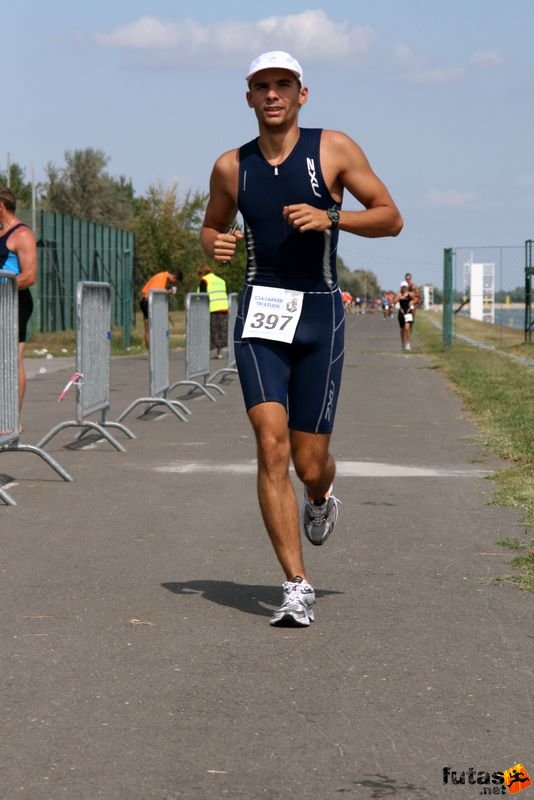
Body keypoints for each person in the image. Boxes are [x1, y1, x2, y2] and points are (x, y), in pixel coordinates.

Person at [200, 50, 403, 627]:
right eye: (261, 86)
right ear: (248, 97)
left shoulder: (332, 149)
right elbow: (212, 225)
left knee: (310, 463)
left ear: (301, 94)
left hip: (320, 315)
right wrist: (210, 245)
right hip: (261, 312)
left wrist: (331, 218)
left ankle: (319, 497)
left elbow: (390, 217)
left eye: (282, 84)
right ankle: (296, 584)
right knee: (271, 446)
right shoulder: (230, 167)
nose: (272, 94)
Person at [0, 187, 37, 415]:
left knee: (13, 361)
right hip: (2, 303)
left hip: (15, 303)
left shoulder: (22, 235)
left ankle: (12, 419)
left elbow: (30, 276)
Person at [139, 270, 182, 348]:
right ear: (174, 277)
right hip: (148, 303)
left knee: (148, 328)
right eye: (175, 281)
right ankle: (154, 351)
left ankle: (152, 352)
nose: (174, 283)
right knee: (153, 327)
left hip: (146, 302)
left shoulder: (163, 277)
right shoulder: (162, 277)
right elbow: (155, 292)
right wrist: (168, 292)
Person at [197, 264, 229, 359]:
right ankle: (219, 353)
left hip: (212, 308)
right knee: (221, 330)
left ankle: (205, 352)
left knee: (211, 330)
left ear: (201, 273)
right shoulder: (221, 280)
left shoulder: (205, 280)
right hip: (223, 307)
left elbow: (202, 296)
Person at [393, 281, 415, 350]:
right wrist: (398, 299)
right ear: (401, 287)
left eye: (405, 287)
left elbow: (415, 300)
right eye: (403, 287)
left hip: (408, 312)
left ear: (407, 287)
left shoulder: (410, 294)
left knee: (407, 328)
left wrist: (412, 302)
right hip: (401, 313)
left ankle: (408, 344)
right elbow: (394, 302)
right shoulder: (399, 295)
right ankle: (403, 343)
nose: (404, 288)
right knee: (402, 330)